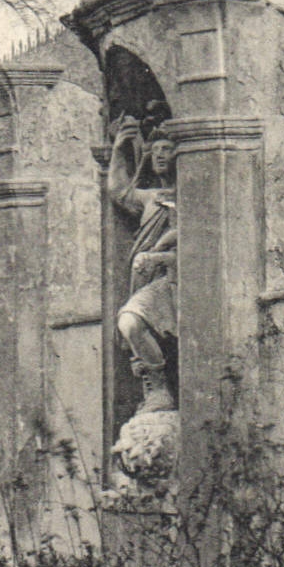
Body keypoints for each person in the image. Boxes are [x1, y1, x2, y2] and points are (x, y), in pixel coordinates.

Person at [108, 116, 178, 414]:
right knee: (129, 323)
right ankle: (156, 387)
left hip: (176, 280)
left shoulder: (191, 194)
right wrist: (118, 150)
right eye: (156, 148)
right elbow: (118, 191)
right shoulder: (151, 197)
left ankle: (161, 388)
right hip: (149, 279)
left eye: (168, 148)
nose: (161, 154)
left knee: (131, 321)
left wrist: (158, 256)